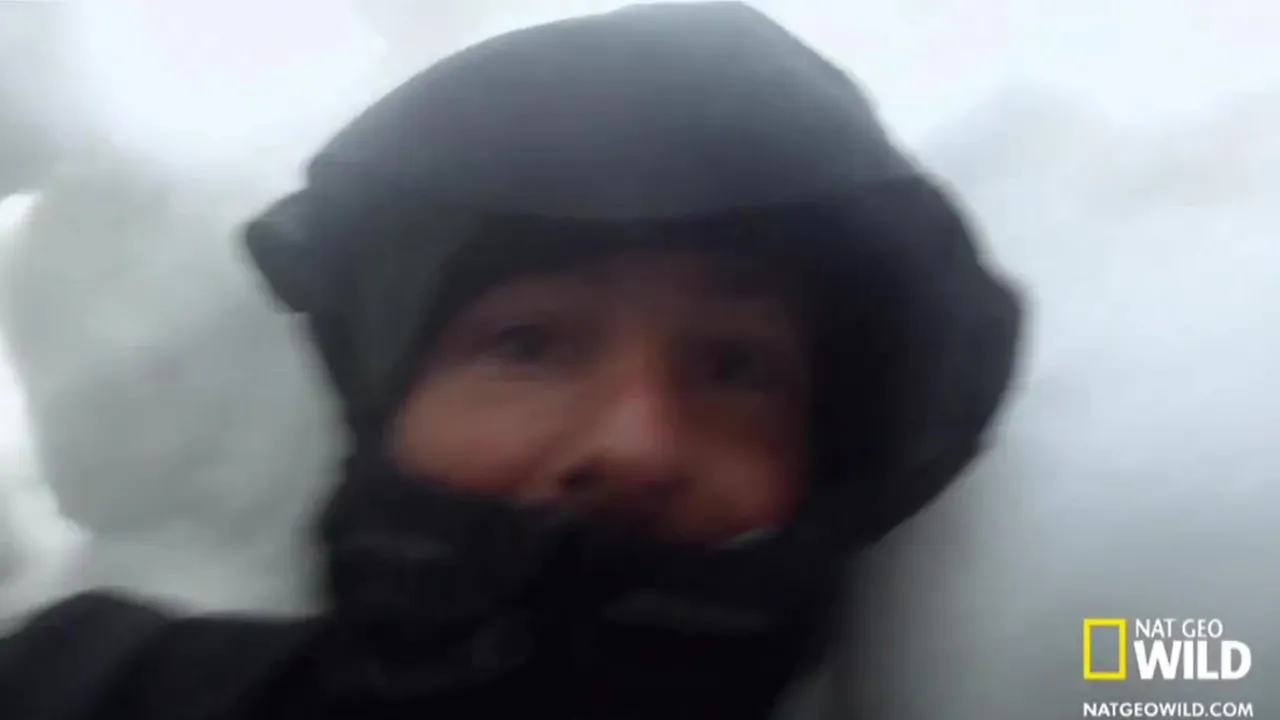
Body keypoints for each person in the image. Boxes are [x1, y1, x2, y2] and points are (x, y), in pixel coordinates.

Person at [0, 3, 1023, 719]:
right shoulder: (94, 693)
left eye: (732, 369)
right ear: (387, 405)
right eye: (528, 345)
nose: (638, 442)